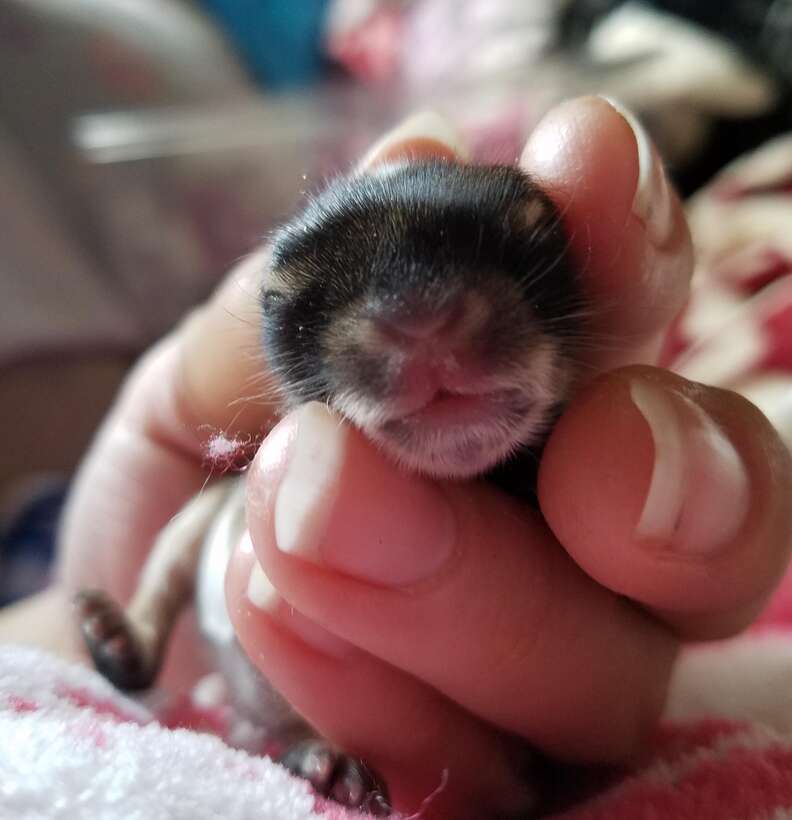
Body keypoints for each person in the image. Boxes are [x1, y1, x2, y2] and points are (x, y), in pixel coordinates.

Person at [2, 96, 790, 817]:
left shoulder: (567, 472)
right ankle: (171, 644)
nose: (428, 330)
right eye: (331, 301)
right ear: (287, 341)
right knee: (214, 510)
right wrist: (129, 620)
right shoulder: (266, 461)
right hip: (201, 663)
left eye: (509, 255)